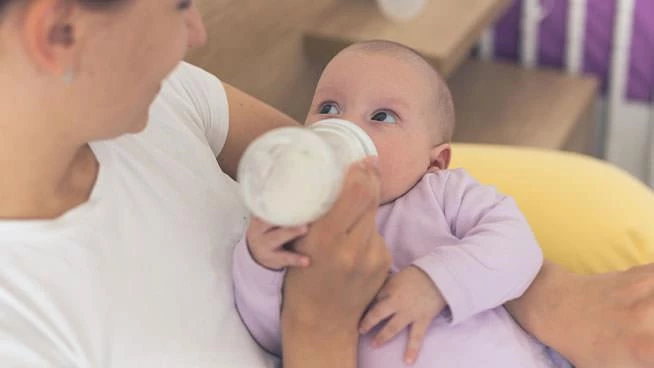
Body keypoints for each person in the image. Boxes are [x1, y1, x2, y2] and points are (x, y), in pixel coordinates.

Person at [0, 0, 652, 367]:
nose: (198, 35)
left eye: (381, 116)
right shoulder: (25, 329)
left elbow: (505, 237)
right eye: (179, 4)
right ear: (59, 31)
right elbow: (265, 315)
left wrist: (544, 296)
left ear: (436, 159)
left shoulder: (162, 97)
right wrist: (300, 303)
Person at [233, 40, 570, 367]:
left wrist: (437, 281)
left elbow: (517, 247)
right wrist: (260, 263)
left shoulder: (442, 193)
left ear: (435, 162)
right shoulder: (300, 216)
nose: (343, 126)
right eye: (328, 108)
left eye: (381, 116)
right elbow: (276, 337)